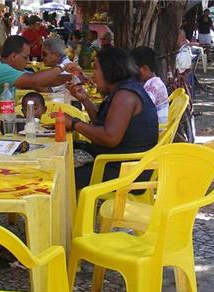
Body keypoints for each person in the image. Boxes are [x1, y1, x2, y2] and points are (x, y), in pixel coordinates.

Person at [63, 47, 159, 189]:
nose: (94, 76)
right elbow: (102, 124)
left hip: (125, 173)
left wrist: (74, 123)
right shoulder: (125, 89)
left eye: (96, 69)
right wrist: (85, 100)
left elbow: (110, 137)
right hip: (120, 164)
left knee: (60, 176)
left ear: (110, 71)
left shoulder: (126, 95)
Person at [0, 35, 79, 119]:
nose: (28, 61)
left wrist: (70, 77)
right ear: (14, 56)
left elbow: (42, 82)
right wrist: (63, 66)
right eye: (25, 57)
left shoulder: (5, 67)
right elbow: (34, 81)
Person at [131, 46, 169, 124]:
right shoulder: (156, 82)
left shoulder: (152, 87)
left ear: (144, 69)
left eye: (134, 69)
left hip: (155, 129)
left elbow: (143, 110)